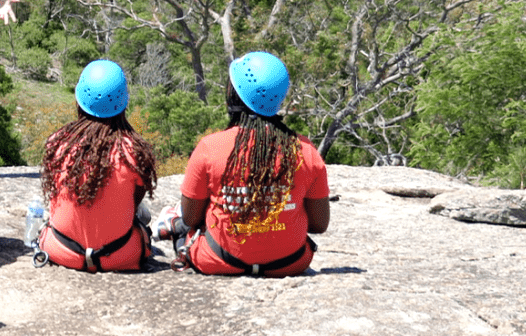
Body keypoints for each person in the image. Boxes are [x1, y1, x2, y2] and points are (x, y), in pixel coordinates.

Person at [177, 52, 330, 277]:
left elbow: (190, 218)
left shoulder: (211, 147)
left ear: (234, 95)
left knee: (180, 231)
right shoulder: (305, 150)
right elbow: (319, 225)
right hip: (290, 263)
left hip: (218, 260)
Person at [36, 60, 159, 272]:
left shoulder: (58, 142)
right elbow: (132, 204)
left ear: (78, 100)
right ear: (123, 104)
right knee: (143, 215)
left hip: (61, 251)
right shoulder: (134, 152)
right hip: (120, 256)